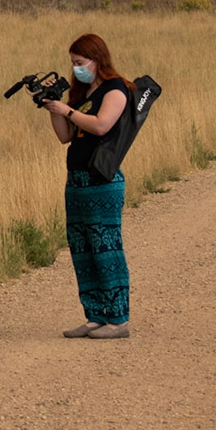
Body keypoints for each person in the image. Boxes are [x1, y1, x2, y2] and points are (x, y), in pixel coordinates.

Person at [42, 32, 132, 339]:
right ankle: (95, 315)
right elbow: (65, 136)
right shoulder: (81, 94)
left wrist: (68, 111)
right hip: (77, 179)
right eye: (72, 63)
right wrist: (54, 107)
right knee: (82, 248)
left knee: (106, 248)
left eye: (80, 62)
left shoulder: (116, 89)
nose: (76, 68)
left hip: (101, 180)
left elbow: (101, 125)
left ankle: (117, 320)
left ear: (97, 59)